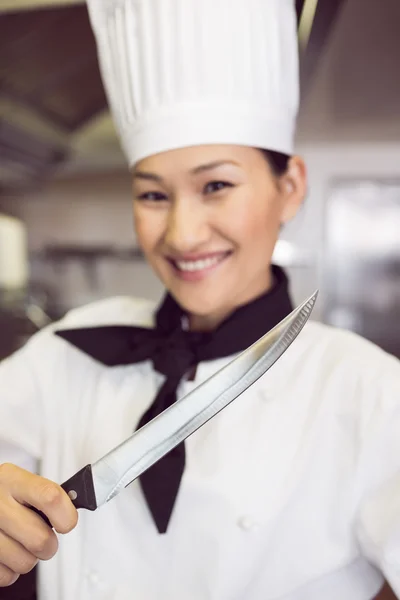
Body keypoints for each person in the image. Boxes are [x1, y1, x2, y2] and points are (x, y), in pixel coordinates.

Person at [0, 0, 399, 599]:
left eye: (216, 186)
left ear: (289, 187)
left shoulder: (371, 392)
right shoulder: (66, 349)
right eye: (153, 195)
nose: (182, 235)